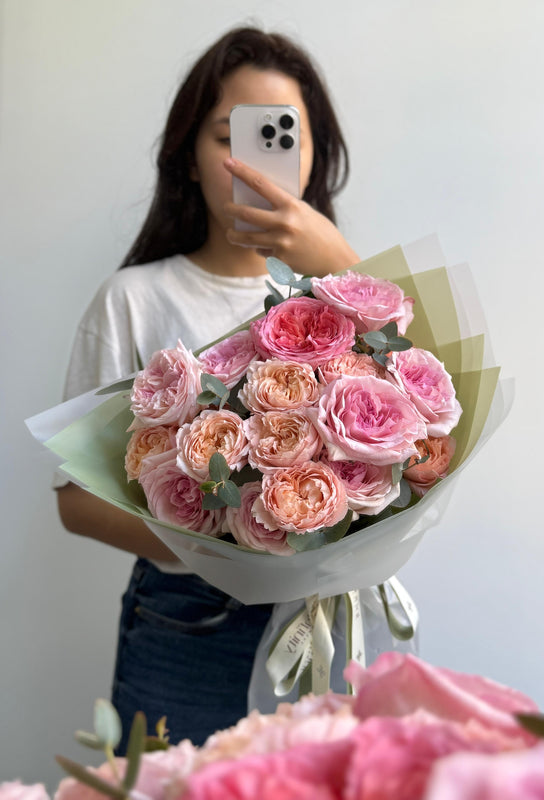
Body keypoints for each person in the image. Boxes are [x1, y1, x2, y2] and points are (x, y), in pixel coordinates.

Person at [55, 26, 358, 752]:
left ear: (314, 159)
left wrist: (344, 268)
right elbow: (75, 502)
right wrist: (227, 535)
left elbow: (423, 438)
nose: (253, 162)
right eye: (232, 135)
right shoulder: (132, 299)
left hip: (320, 625)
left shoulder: (349, 302)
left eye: (282, 136)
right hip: (185, 624)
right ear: (188, 157)